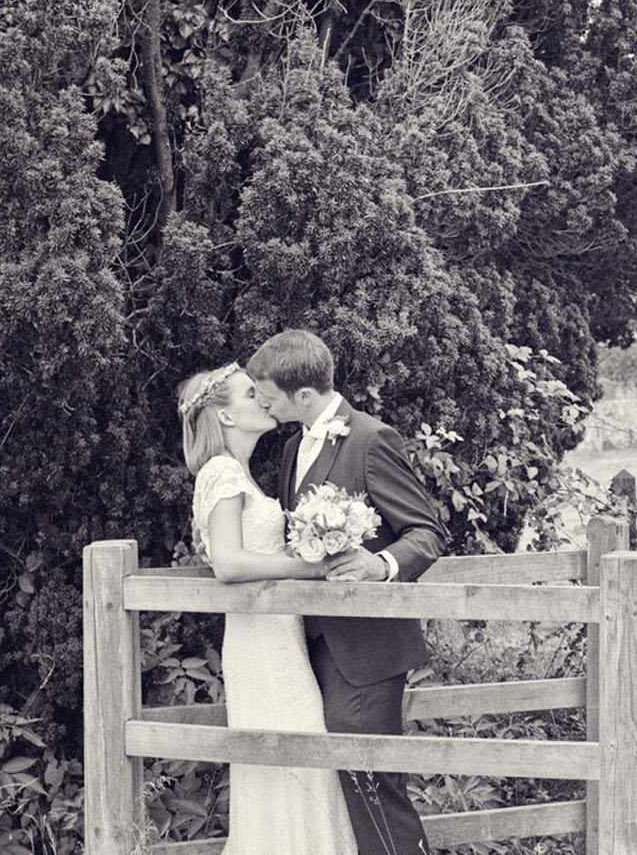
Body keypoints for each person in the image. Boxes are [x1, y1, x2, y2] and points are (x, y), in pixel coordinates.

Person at [247, 329, 449, 855]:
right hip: (310, 643)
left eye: (266, 392)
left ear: (304, 395)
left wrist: (379, 564)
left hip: (369, 647)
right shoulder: (293, 448)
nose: (260, 400)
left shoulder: (372, 438)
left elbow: (427, 533)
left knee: (371, 778)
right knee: (346, 780)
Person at [178, 362, 357, 854]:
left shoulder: (244, 474)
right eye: (249, 394)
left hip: (282, 640)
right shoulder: (220, 472)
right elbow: (230, 564)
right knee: (290, 761)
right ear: (226, 416)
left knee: (302, 762)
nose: (262, 399)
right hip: (260, 646)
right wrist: (311, 566)